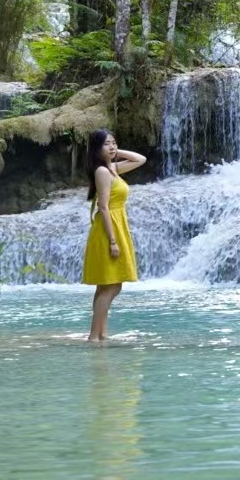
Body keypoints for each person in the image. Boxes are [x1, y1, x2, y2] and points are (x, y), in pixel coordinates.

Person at [82, 129, 146, 341]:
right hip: (108, 228)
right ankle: (94, 336)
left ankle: (101, 333)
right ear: (96, 149)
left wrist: (115, 153)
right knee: (113, 284)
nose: (112, 147)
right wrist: (112, 241)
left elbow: (140, 159)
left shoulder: (113, 169)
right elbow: (103, 206)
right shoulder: (102, 171)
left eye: (114, 143)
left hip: (117, 224)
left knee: (106, 285)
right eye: (106, 144)